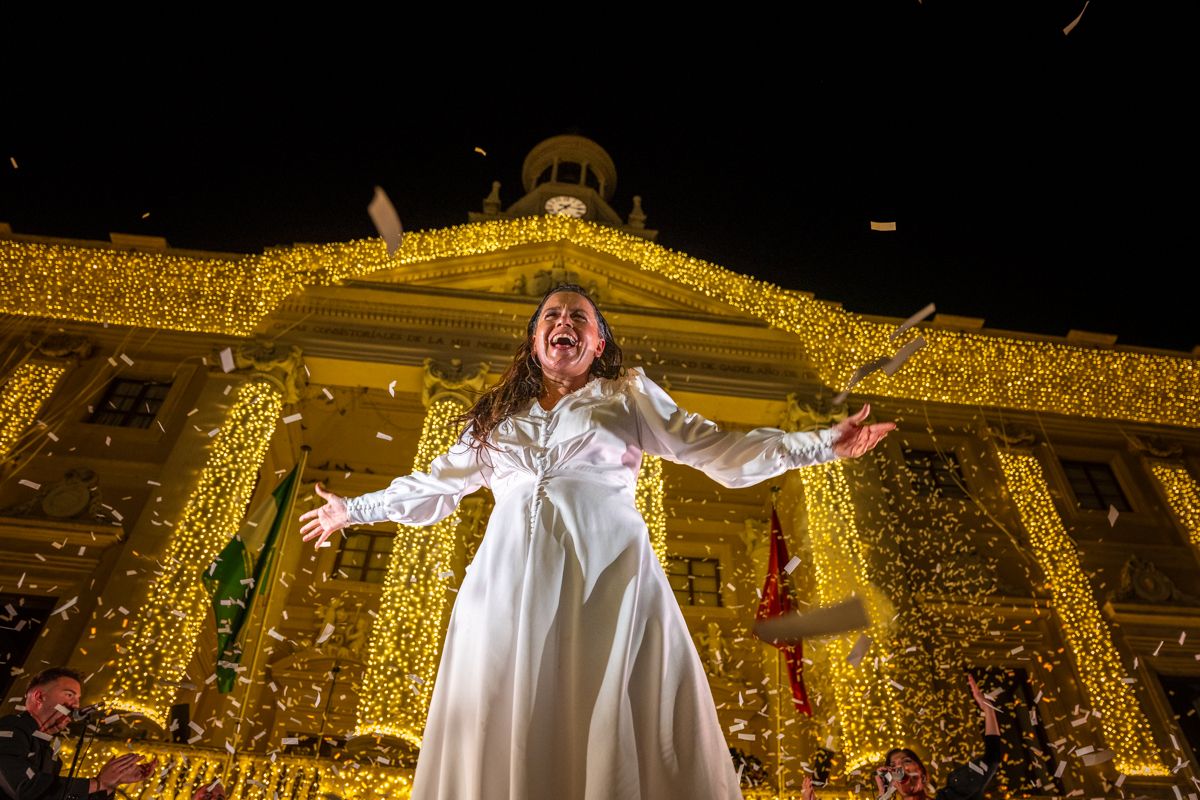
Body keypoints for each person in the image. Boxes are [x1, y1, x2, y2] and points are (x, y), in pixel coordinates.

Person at [300, 284, 895, 800]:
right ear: (535, 341)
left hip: (606, 575)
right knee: (508, 707)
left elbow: (715, 451)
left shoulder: (626, 394)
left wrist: (820, 444)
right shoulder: (494, 420)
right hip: (506, 587)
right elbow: (435, 487)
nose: (564, 322)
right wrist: (354, 509)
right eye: (551, 317)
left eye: (578, 317)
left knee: (608, 708)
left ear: (599, 343)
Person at [802, 675, 1001, 800]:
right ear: (893, 783)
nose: (900, 767)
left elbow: (992, 757)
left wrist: (988, 711)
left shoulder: (953, 794)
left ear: (923, 774)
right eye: (894, 765)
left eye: (906, 761)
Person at [0, 667, 156, 799]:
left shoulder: (51, 753)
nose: (76, 705)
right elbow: (22, 788)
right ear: (39, 696)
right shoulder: (8, 730)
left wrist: (110, 783)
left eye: (78, 698)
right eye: (69, 695)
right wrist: (98, 783)